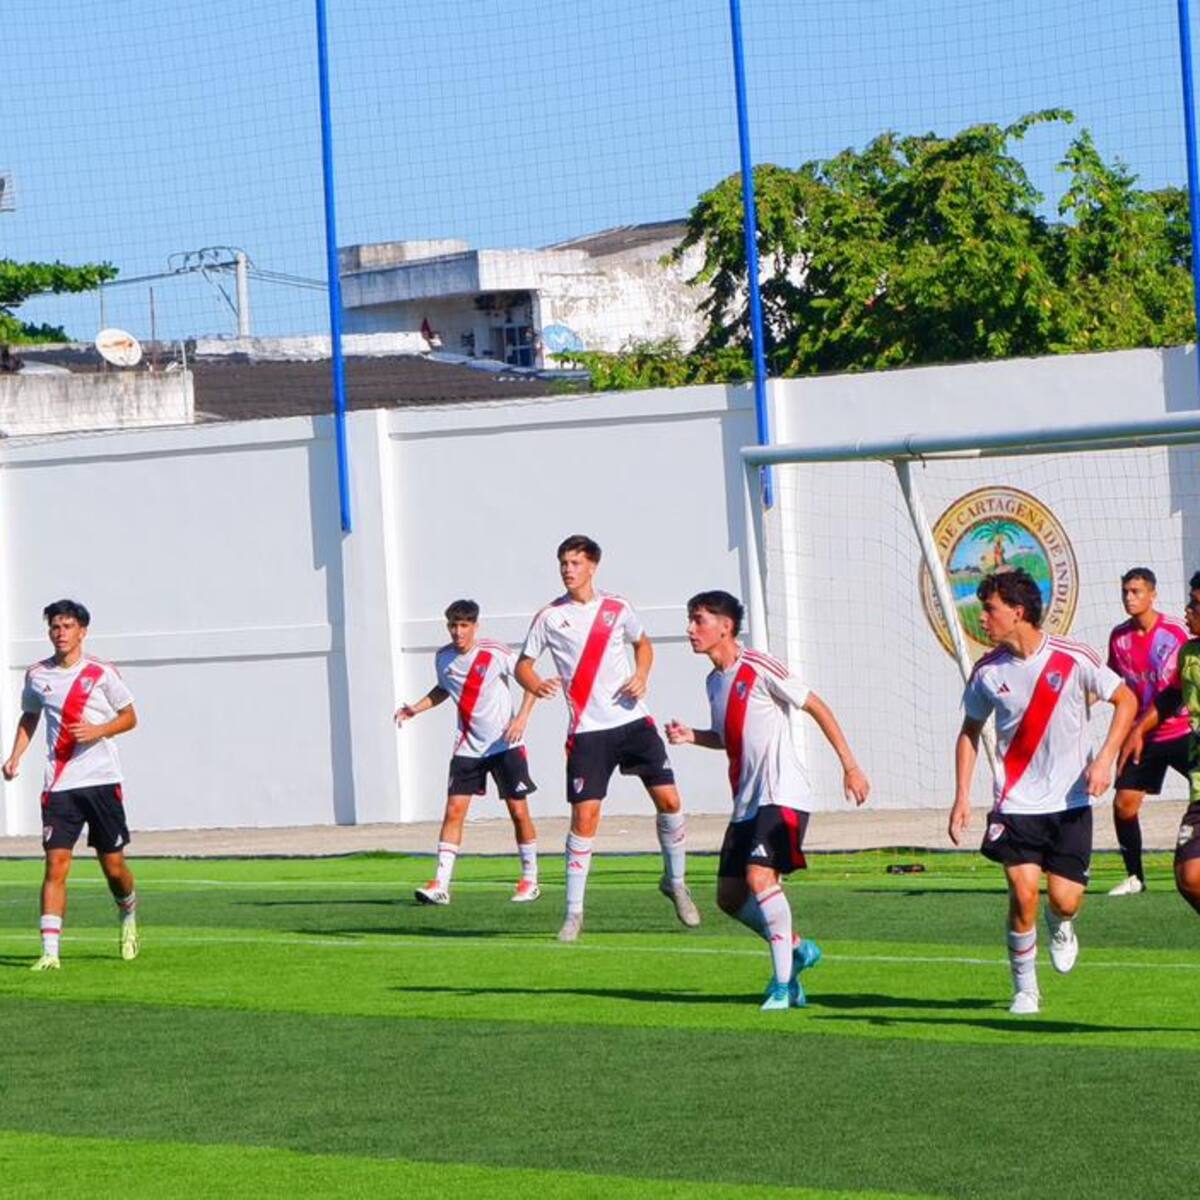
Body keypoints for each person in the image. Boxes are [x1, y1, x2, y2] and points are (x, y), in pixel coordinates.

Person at [665, 591, 869, 1010]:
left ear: (725, 626)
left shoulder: (759, 665)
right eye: (690, 619)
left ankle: (782, 985)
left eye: (698, 620)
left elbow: (816, 706)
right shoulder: (713, 681)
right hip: (746, 803)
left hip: (783, 795)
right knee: (729, 897)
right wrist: (693, 736)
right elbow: (729, 736)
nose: (690, 629)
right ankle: (794, 948)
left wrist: (850, 766)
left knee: (761, 879)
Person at [949, 569, 1136, 1015]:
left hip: (1071, 802)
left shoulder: (1073, 656)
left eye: (989, 609)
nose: (983, 619)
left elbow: (1126, 700)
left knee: (1064, 899)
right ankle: (1025, 989)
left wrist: (1106, 757)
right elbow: (969, 732)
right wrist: (961, 796)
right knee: (1023, 892)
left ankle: (1062, 922)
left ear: (1017, 612)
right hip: (1016, 804)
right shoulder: (986, 672)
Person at [515, 534, 700, 942]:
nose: (567, 570)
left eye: (575, 563)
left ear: (593, 566)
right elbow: (523, 666)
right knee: (585, 817)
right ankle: (573, 913)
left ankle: (676, 881)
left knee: (670, 801)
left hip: (634, 723)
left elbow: (644, 643)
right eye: (563, 562)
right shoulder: (549, 617)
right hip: (587, 732)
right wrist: (536, 682)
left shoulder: (617, 607)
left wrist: (641, 674)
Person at [2, 600, 140, 970]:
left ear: (82, 631)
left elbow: (130, 717)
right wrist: (16, 755)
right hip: (59, 785)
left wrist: (99, 730)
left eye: (67, 626)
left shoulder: (101, 672)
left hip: (101, 780)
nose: (60, 633)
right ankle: (50, 953)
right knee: (56, 863)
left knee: (113, 867)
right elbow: (30, 716)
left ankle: (127, 911)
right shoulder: (36, 675)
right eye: (54, 627)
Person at [396, 599, 541, 905]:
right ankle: (441, 885)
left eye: (464, 625)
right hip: (468, 747)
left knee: (518, 812)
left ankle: (530, 880)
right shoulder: (443, 658)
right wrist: (415, 709)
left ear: (476, 626)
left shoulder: (495, 652)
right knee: (453, 811)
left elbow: (529, 679)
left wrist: (522, 718)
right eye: (453, 625)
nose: (457, 632)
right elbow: (443, 689)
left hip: (505, 745)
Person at [1105, 567, 1190, 896]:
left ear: (1153, 595)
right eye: (1126, 591)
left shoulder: (1175, 634)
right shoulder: (1119, 637)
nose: (1129, 597)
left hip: (1182, 731)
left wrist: (1137, 729)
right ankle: (1135, 878)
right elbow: (1113, 685)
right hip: (1144, 738)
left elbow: (1176, 693)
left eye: (1137, 591)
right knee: (1124, 805)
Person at [1133, 572, 1200, 917]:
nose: (1188, 611)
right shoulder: (1189, 654)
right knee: (1189, 876)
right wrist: (1137, 731)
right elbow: (1171, 696)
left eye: (1196, 605)